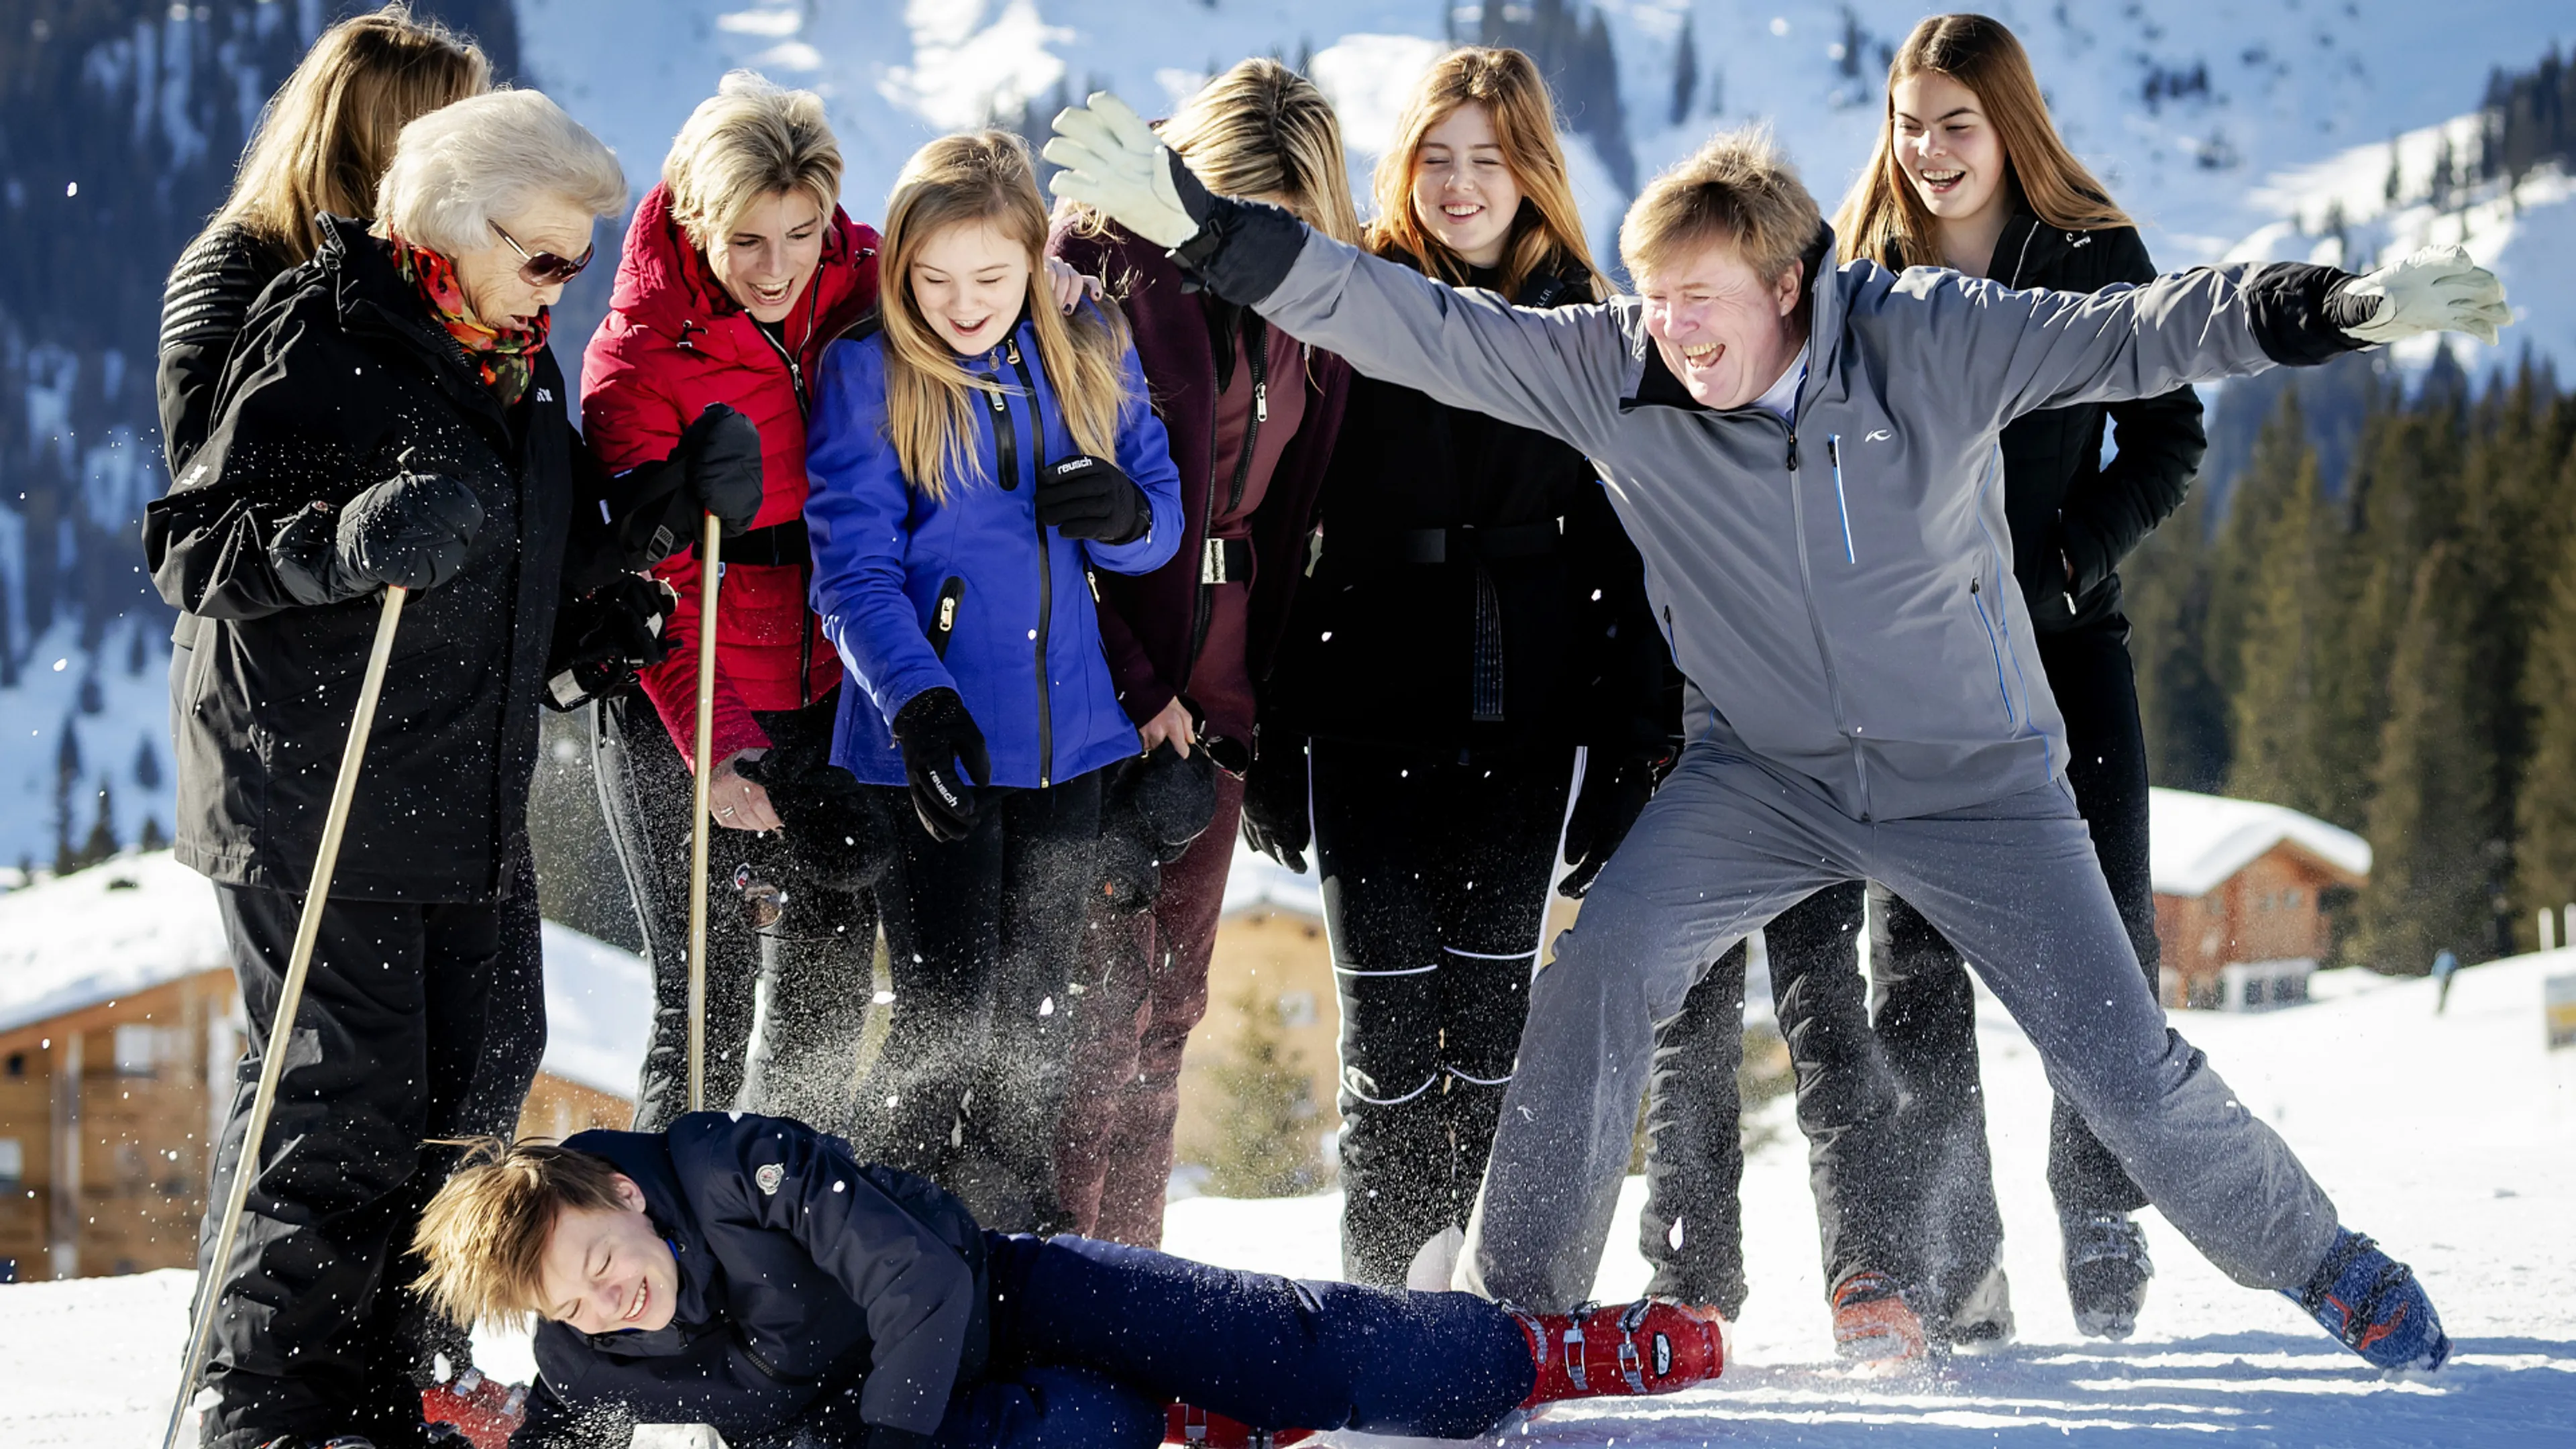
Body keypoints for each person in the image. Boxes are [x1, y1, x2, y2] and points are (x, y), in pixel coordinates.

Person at [1046, 92, 2506, 1372]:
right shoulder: (1618, 369)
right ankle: (1515, 1308)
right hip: (1762, 777)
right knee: (1602, 975)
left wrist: (2330, 307)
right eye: (1656, 300)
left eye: (1704, 301)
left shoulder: (1925, 341)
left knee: (2122, 1069)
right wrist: (1199, 226)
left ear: (1794, 282)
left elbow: (2132, 331)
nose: (1675, 333)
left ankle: (2327, 1264)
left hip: (1978, 786)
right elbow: (1415, 321)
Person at [144, 90, 760, 1448]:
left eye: (581, 260)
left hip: (463, 797)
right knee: (342, 1115)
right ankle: (273, 1412)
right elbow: (190, 544)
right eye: (544, 255)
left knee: (479, 1100)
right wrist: (346, 538)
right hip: (324, 793)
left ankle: (394, 1383)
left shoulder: (514, 359)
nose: (566, 284)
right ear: (448, 225)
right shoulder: (329, 335)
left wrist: (643, 544)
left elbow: (515, 592)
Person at [1642, 12, 2219, 1360]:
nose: (1932, 149)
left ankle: (2100, 1216)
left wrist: (2070, 558)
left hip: (2065, 651)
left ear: (2010, 125)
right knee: (1915, 968)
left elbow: (2171, 428)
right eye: (1911, 123)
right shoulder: (1861, 267)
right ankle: (1965, 1259)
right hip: (1909, 675)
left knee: (2104, 952)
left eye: (1958, 123)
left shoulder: (2090, 257)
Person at [1239, 47, 1672, 1289]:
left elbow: (1638, 545)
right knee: (1387, 1052)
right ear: (1404, 167)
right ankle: (1383, 1318)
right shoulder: (1359, 296)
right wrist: (1268, 738)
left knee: (1491, 1047)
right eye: (1437, 158)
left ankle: (1489, 1311)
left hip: (1527, 727)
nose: (1462, 184)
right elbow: (1286, 524)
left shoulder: (1594, 322)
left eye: (1489, 158)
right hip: (1364, 719)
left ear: (1532, 170)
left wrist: (1637, 746)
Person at [407, 1115, 1726, 1449]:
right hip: (939, 1428)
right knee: (1095, 1430)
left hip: (998, 1302)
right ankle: (1179, 1417)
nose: (597, 1308)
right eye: (565, 1308)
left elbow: (916, 1276)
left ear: (619, 1198)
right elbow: (573, 1424)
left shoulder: (737, 1167)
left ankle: (1542, 1351)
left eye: (592, 1268)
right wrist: (508, 1430)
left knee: (1287, 1345)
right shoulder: (584, 1349)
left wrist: (888, 1443)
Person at [804, 130, 1182, 1235]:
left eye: (990, 277)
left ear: (1033, 260)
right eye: (933, 280)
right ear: (900, 273)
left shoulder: (1090, 342)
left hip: (1065, 749)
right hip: (933, 749)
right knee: (941, 1026)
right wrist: (918, 705)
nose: (962, 305)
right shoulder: (869, 370)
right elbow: (854, 571)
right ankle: (887, 1259)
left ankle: (1009, 1270)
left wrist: (1124, 515)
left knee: (1035, 1033)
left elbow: (1155, 514)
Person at [1044, 58, 1358, 1246]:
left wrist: (1255, 716)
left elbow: (1292, 522)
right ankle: (1065, 1286)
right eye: (1234, 212)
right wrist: (1138, 692)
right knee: (1089, 1015)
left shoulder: (1310, 310)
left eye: (1283, 224)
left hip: (1220, 694)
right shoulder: (1100, 267)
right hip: (1095, 679)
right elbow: (1052, 500)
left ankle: (1136, 1289)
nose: (1249, 245)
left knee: (1169, 1014)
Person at [580, 72, 889, 1134]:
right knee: (700, 1002)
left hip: (822, 695)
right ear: (699, 218)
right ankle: (667, 1257)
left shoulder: (860, 283)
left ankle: (786, 1238)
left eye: (801, 234)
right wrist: (717, 746)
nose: (778, 268)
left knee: (829, 989)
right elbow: (648, 589)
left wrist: (1062, 285)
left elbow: (981, 276)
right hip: (685, 707)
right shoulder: (640, 357)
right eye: (748, 242)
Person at [156, 3, 490, 755]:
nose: (480, 161)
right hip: (279, 708)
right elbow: (204, 506)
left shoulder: (429, 280)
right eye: (461, 133)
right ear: (392, 140)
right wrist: (356, 535)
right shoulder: (237, 267)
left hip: (412, 693)